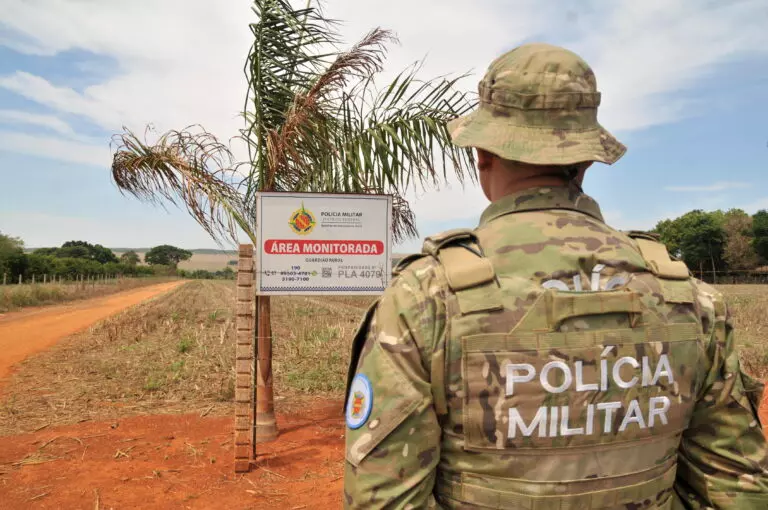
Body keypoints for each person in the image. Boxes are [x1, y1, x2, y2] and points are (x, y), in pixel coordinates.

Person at [343, 42, 768, 509]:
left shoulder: (426, 295)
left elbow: (383, 499)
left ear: (482, 154)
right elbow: (737, 486)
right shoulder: (689, 298)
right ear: (585, 161)